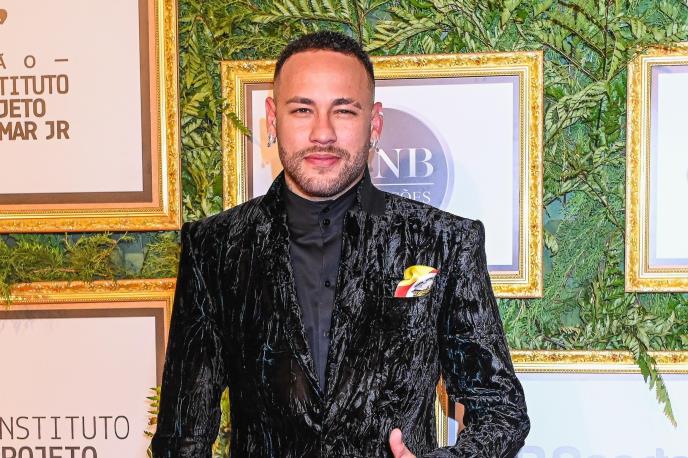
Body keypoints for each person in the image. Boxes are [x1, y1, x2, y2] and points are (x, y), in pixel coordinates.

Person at [151, 30, 529, 457]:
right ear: (273, 119)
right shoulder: (215, 248)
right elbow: (182, 435)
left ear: (374, 123)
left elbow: (502, 412)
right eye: (302, 109)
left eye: (344, 111)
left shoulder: (443, 242)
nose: (323, 133)